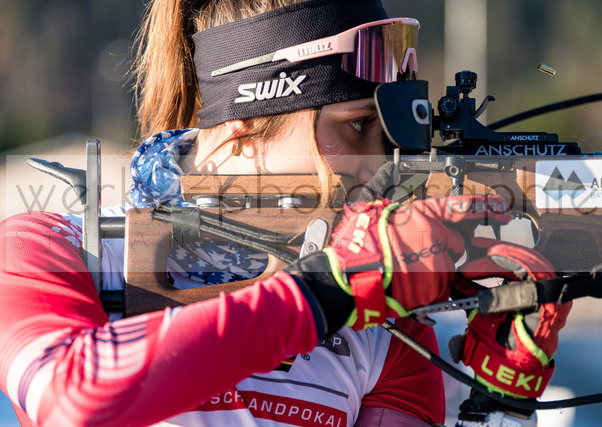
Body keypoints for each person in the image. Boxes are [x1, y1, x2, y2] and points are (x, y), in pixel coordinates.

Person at [0, 0, 570, 426]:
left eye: (389, 135)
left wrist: (499, 404)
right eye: (357, 126)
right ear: (241, 125)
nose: (381, 165)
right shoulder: (58, 247)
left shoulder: (384, 326)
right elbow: (67, 396)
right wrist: (325, 292)